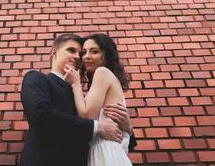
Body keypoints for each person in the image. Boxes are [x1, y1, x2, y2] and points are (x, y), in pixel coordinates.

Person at [20, 34, 136, 166]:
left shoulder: (82, 97)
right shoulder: (37, 78)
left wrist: (128, 128)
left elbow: (115, 138)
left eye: (79, 53)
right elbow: (41, 114)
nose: (77, 57)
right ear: (54, 53)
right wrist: (97, 127)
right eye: (71, 50)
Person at [63, 34, 133, 166]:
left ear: (106, 55)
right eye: (84, 52)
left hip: (105, 153)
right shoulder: (107, 79)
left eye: (94, 51)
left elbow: (87, 116)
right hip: (105, 152)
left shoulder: (102, 72)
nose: (86, 57)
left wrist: (76, 84)